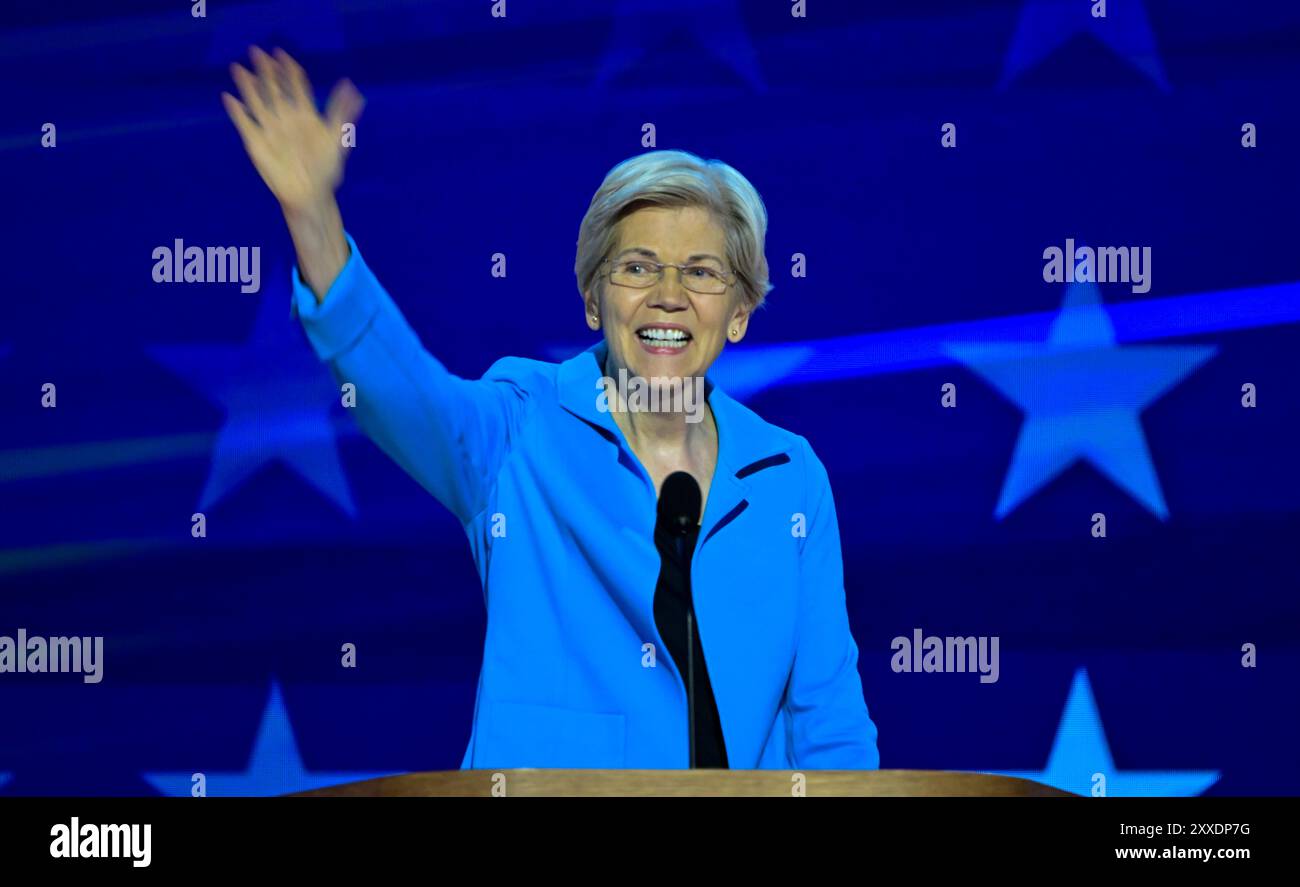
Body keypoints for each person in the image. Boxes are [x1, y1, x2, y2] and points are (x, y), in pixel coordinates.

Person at [222, 46, 880, 769]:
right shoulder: (521, 427)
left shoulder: (791, 477)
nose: (668, 293)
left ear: (740, 312)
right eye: (636, 268)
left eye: (701, 272)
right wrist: (313, 216)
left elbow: (830, 726)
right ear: (593, 298)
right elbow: (401, 393)